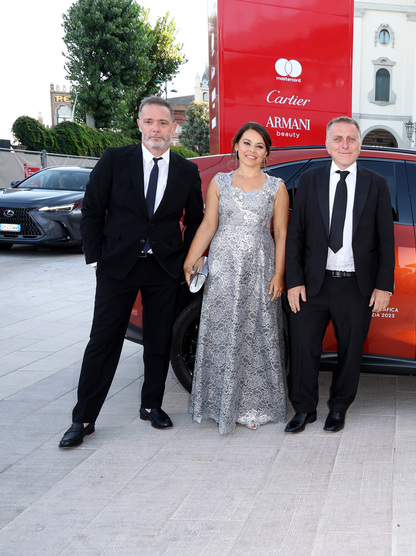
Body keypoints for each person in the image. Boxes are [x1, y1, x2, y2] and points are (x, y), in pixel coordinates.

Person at [59, 96, 203, 448]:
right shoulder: (114, 159)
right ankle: (84, 418)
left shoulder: (186, 170)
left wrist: (183, 262)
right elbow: (92, 210)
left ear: (173, 128)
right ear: (139, 124)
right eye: (150, 121)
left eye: (163, 123)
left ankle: (151, 405)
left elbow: (197, 221)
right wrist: (96, 258)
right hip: (117, 267)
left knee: (158, 341)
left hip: (162, 269)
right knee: (103, 342)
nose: (156, 128)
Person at [284, 116, 395, 433]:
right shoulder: (310, 180)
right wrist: (295, 281)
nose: (345, 145)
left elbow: (386, 239)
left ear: (360, 144)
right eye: (338, 139)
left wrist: (383, 286)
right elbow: (296, 235)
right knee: (304, 349)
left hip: (356, 286)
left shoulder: (376, 183)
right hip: (312, 285)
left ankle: (339, 408)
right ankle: (304, 409)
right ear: (327, 144)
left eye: (351, 138)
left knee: (350, 352)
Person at [183, 122, 289, 434]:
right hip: (224, 267)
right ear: (236, 146)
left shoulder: (276, 187)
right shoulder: (219, 182)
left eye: (259, 146)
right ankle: (217, 404)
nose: (252, 150)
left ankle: (255, 406)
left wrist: (279, 274)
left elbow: (281, 234)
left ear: (267, 152)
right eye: (247, 143)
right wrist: (191, 258)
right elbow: (208, 225)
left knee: (256, 332)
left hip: (260, 267)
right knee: (222, 329)